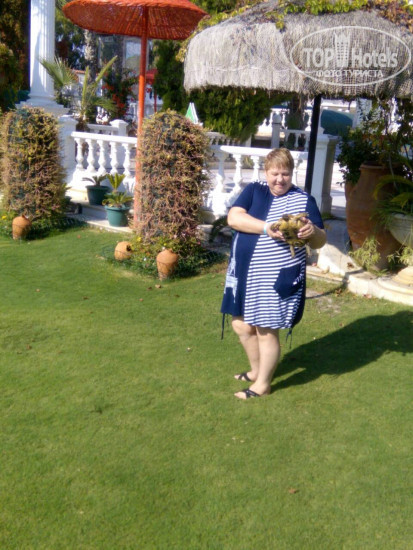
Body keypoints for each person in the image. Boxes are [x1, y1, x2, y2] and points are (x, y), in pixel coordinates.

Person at [221, 148, 326, 400]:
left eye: (285, 174)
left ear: (292, 173)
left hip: (277, 276)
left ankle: (263, 385)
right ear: (266, 172)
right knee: (241, 324)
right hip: (244, 272)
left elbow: (321, 240)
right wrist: (267, 228)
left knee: (266, 329)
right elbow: (234, 218)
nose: (280, 179)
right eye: (275, 174)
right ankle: (256, 371)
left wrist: (312, 231)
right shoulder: (254, 190)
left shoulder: (303, 200)